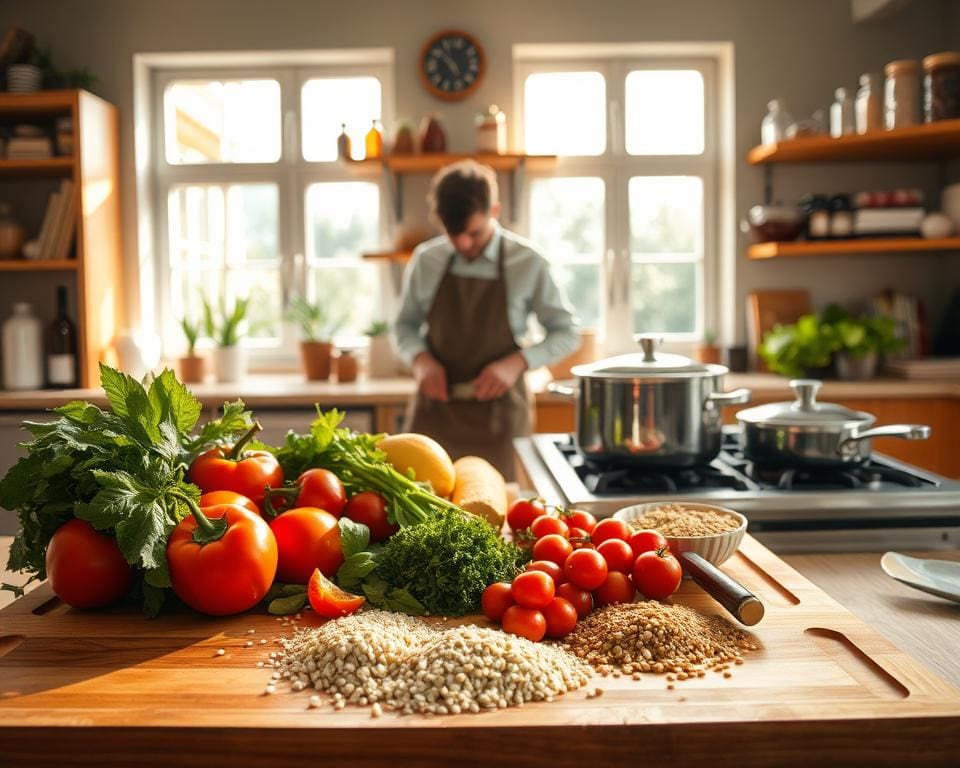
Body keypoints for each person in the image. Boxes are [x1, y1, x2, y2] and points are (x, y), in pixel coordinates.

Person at [392, 160, 580, 480]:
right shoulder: (427, 260)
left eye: (474, 233)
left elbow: (567, 332)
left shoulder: (528, 262)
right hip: (434, 415)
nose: (463, 244)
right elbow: (404, 326)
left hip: (500, 419)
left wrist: (518, 362)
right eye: (452, 234)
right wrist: (421, 360)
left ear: (495, 210)